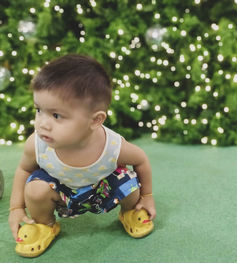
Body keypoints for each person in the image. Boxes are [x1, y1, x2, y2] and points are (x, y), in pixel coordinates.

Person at [8, 54, 156, 258]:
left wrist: (147, 196)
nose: (42, 123)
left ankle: (130, 211)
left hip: (101, 190)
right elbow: (24, 169)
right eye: (39, 110)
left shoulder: (112, 146)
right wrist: (16, 207)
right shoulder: (37, 144)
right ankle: (44, 225)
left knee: (129, 181)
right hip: (60, 193)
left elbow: (141, 160)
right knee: (34, 189)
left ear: (95, 120)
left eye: (56, 115)